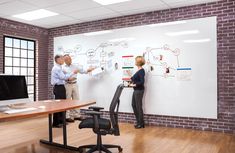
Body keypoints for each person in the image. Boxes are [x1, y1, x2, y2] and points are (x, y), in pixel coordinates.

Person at [63, 54, 95, 122]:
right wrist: (68, 79)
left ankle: (76, 115)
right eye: (67, 59)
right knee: (68, 100)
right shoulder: (63, 68)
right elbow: (62, 77)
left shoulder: (75, 66)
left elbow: (83, 71)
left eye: (70, 59)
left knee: (76, 99)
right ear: (64, 60)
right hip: (67, 85)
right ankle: (68, 116)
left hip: (75, 84)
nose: (69, 60)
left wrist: (88, 70)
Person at [51, 55, 78, 128]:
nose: (63, 60)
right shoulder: (57, 68)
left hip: (61, 87)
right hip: (58, 87)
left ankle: (61, 121)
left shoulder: (59, 68)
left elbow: (63, 77)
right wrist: (72, 73)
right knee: (58, 105)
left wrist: (67, 77)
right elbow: (63, 77)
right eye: (62, 59)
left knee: (62, 105)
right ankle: (56, 123)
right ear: (58, 60)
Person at [128, 56, 146, 129]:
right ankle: (139, 122)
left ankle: (141, 124)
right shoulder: (138, 70)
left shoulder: (141, 71)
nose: (135, 62)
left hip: (139, 90)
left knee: (138, 107)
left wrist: (134, 84)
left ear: (138, 62)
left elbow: (141, 82)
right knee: (133, 105)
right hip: (136, 90)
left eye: (135, 61)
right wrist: (129, 74)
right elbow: (134, 79)